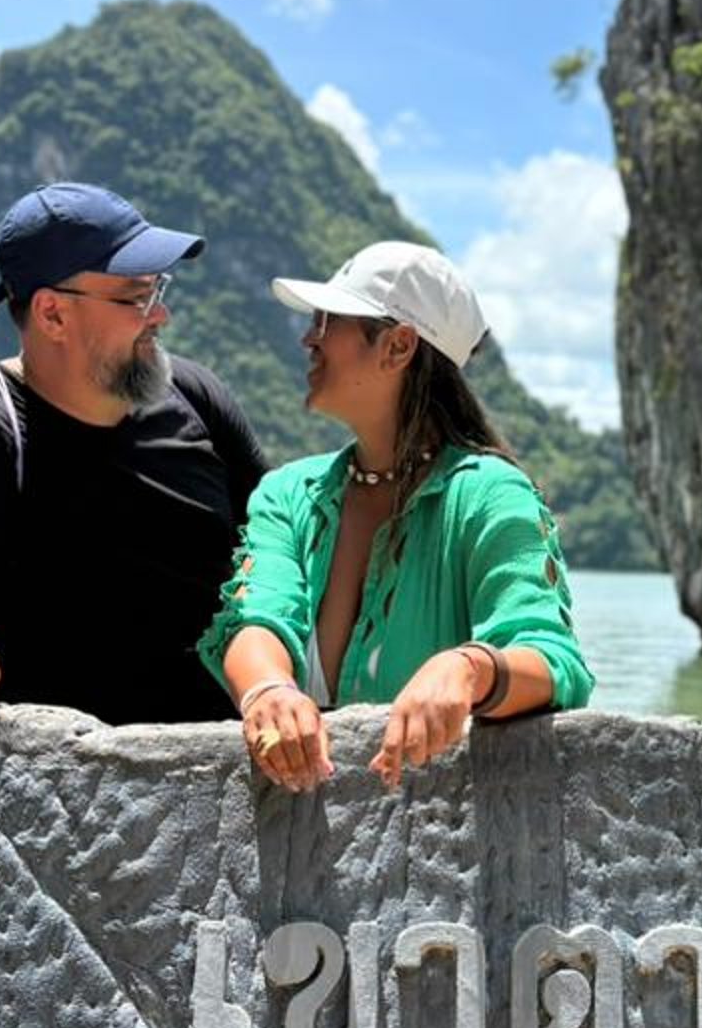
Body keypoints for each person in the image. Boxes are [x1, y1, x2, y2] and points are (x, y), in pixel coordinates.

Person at [200, 241, 592, 788]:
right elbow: (254, 619)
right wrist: (268, 689)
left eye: (329, 320)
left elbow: (552, 656)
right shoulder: (286, 493)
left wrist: (468, 667)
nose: (309, 337)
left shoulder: (492, 496)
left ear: (398, 346)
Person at [0, 181, 266, 724]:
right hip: (70, 784)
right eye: (137, 297)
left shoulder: (196, 396)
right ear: (53, 314)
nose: (161, 315)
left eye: (160, 290)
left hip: (225, 761)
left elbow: (276, 549)